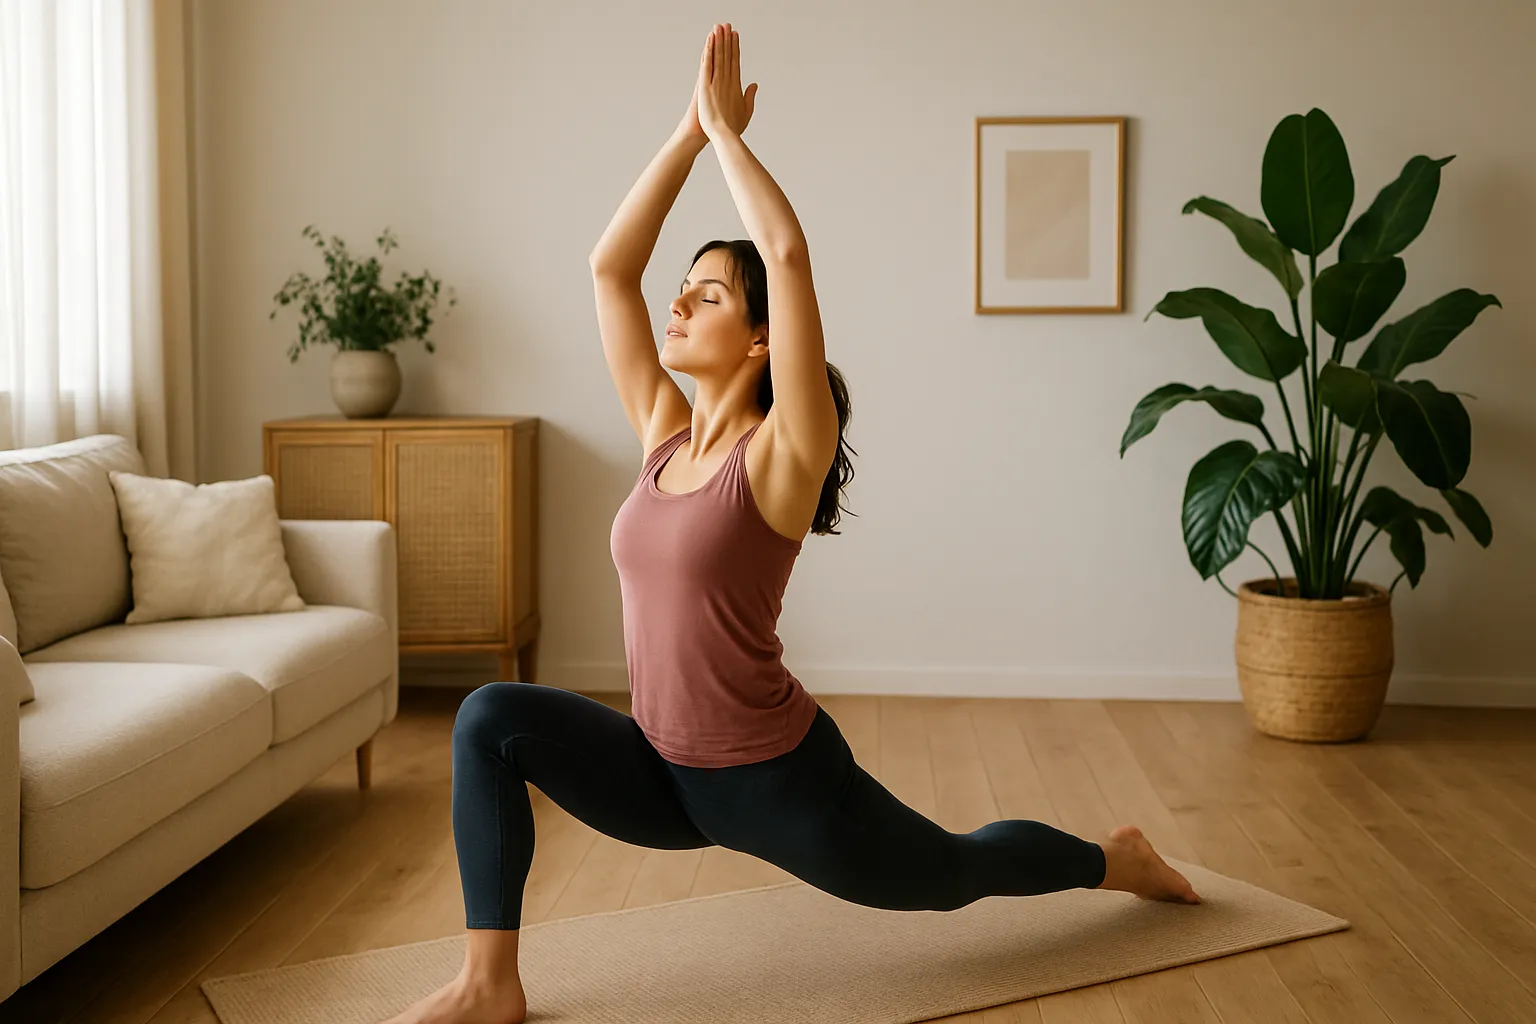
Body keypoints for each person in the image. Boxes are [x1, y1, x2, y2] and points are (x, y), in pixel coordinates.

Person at [385, 23, 1198, 1024]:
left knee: (951, 872)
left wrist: (730, 138)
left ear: (763, 337)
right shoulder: (663, 434)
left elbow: (786, 251)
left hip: (775, 783)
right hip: (658, 768)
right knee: (488, 720)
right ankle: (489, 984)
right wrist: (685, 133)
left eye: (709, 292)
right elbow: (608, 270)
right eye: (685, 285)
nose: (678, 299)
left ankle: (1109, 857)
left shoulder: (781, 453)